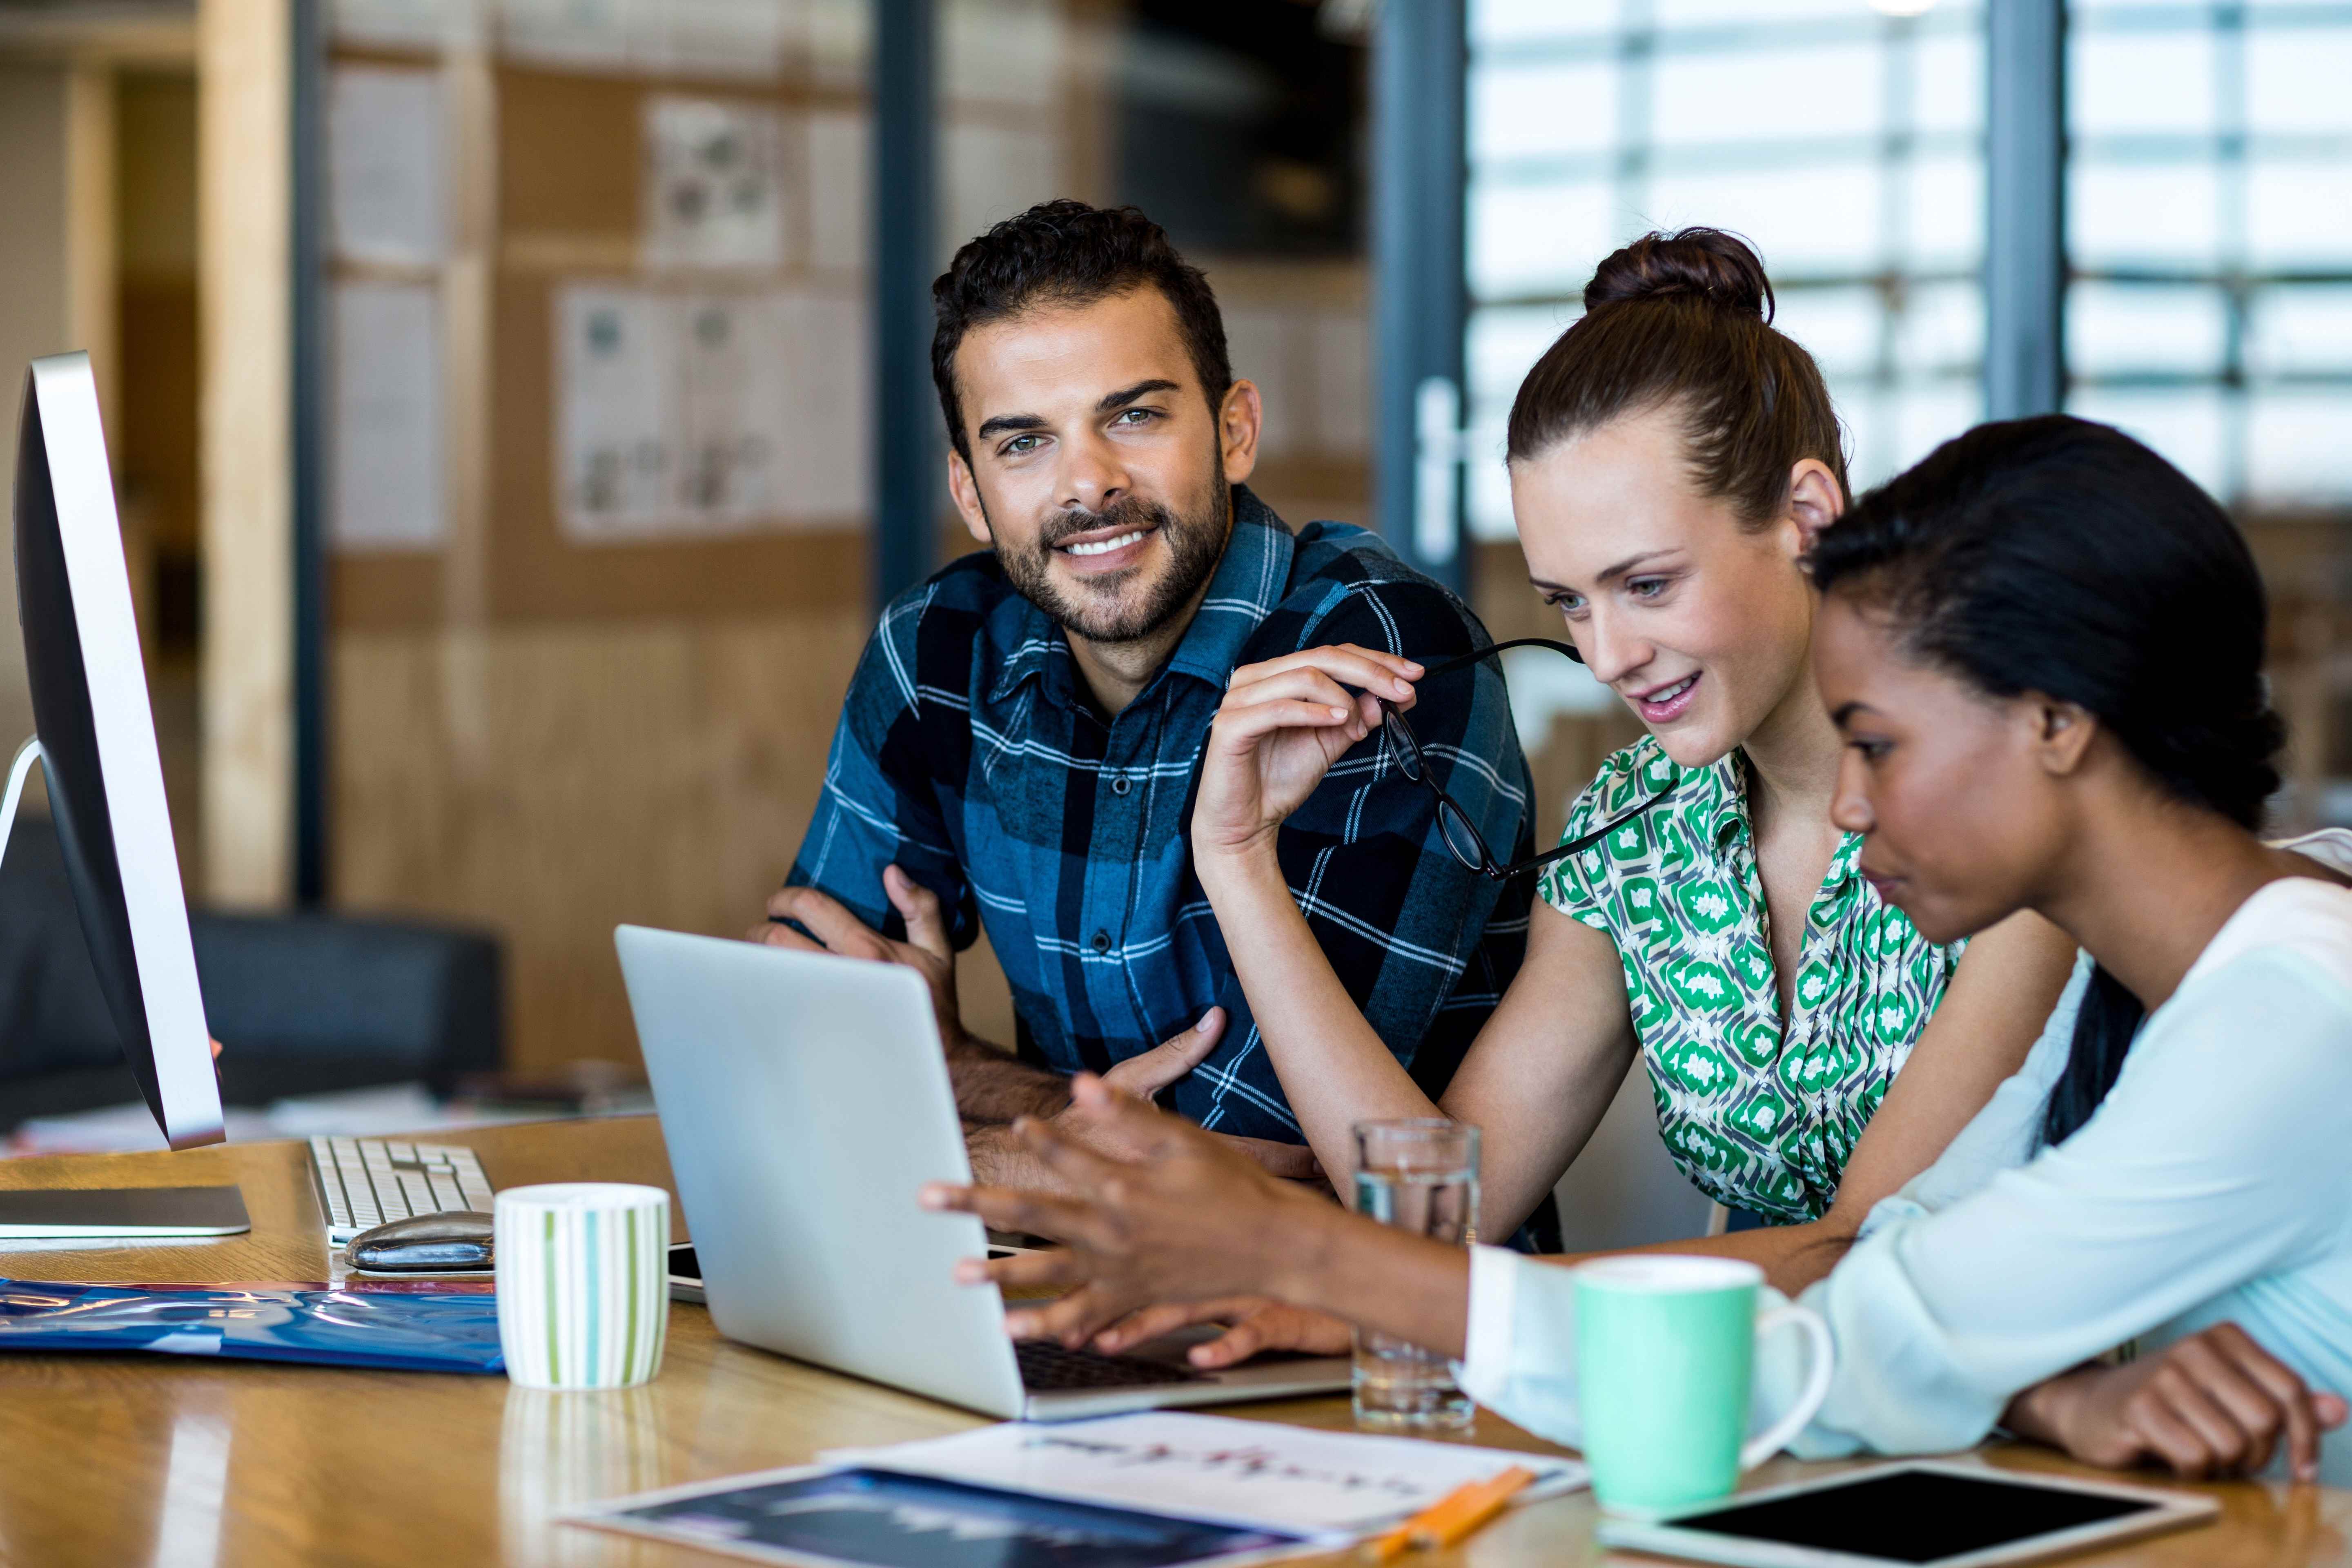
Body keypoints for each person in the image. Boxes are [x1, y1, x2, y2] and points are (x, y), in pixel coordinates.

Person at [925, 414, 2352, 1484]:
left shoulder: (2291, 1013)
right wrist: (2044, 1388)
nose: (1852, 806)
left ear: (2057, 722)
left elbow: (1847, 1341)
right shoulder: (2137, 987)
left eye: (1882, 746)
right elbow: (1895, 1276)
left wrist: (1311, 1255)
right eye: (1569, 605)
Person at [996, 229, 2075, 1357]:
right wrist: (1237, 856)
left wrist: (1402, 1293)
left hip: (2030, 1439)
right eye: (1568, 603)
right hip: (1745, 1418)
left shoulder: (2007, 799)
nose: (1607, 656)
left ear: (1808, 517)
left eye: (1648, 584)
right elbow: (1435, 1202)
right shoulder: (1639, 827)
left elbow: (1864, 1252)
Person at [759, 200, 1536, 1197]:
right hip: (1044, 1288)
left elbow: (1288, 1166)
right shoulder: (938, 652)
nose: (1088, 484)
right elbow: (802, 1036)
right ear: (970, 494)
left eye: (1133, 416)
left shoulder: (1377, 657)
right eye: (1023, 444)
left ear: (1235, 430)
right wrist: (1007, 1103)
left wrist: (961, 1101)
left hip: (1364, 1336)